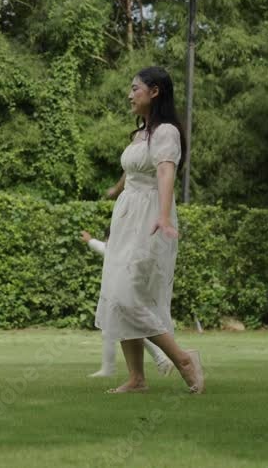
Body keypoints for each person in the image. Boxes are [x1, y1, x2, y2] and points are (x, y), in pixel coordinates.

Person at [95, 66, 205, 394]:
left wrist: (164, 216)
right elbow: (132, 171)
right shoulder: (141, 133)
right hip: (127, 217)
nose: (130, 95)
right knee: (117, 294)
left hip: (149, 218)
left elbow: (165, 172)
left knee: (129, 295)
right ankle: (136, 378)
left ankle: (183, 360)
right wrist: (116, 192)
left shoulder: (166, 132)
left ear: (154, 91)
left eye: (135, 89)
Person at [80, 228, 173, 378]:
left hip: (124, 300)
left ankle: (161, 359)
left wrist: (90, 240)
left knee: (130, 331)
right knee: (116, 332)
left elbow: (104, 249)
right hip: (121, 300)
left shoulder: (123, 254)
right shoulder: (118, 251)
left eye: (109, 241)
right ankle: (159, 360)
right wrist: (90, 240)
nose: (107, 244)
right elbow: (102, 247)